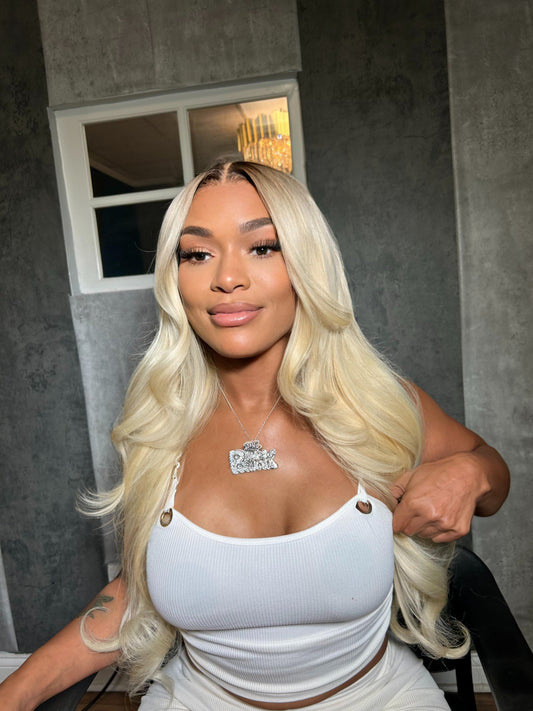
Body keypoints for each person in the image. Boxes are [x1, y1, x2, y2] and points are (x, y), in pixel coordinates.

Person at [0, 161, 509, 711]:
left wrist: (470, 471)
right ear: (175, 279)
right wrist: (16, 692)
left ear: (307, 264)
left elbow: (491, 475)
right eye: (197, 254)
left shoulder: (378, 409)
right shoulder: (159, 428)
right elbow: (136, 593)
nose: (227, 278)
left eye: (262, 247)